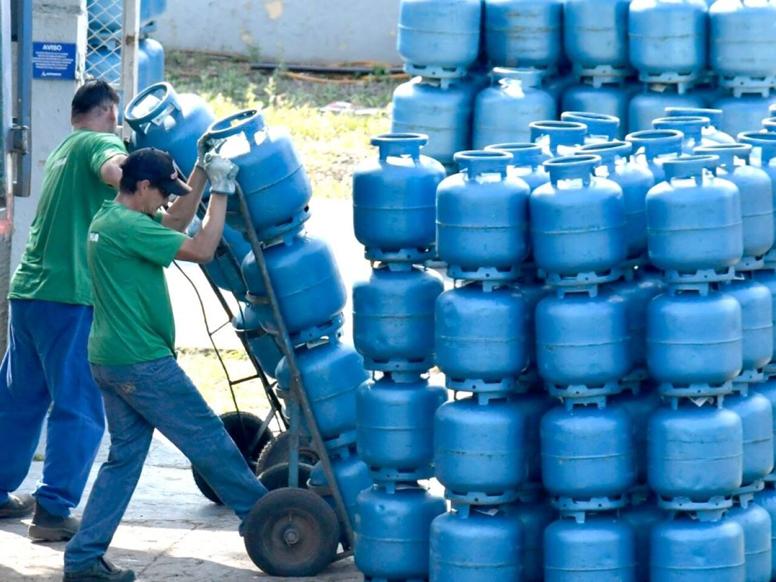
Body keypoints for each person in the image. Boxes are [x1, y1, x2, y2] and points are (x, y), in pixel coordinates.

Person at [62, 147, 268, 582]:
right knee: (208, 439)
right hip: (142, 364)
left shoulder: (112, 218)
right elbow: (202, 248)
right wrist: (222, 190)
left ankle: (83, 561)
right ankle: (269, 521)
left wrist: (196, 171)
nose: (167, 201)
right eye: (163, 192)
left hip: (110, 359)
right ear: (141, 187)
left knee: (123, 461)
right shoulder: (128, 227)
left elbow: (175, 222)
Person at [0, 80, 128, 541]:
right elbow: (114, 168)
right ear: (110, 113)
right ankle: (53, 511)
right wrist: (139, 172)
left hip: (29, 292)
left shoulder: (63, 148)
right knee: (78, 403)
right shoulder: (101, 141)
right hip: (70, 297)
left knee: (18, 400)